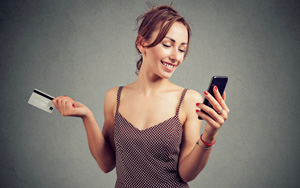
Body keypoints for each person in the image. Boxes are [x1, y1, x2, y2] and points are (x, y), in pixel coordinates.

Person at [52, 4, 229, 188]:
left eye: (182, 49)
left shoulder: (188, 100)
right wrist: (86, 116)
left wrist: (209, 134)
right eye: (167, 45)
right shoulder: (115, 97)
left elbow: (187, 174)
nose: (176, 56)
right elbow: (106, 164)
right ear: (142, 43)